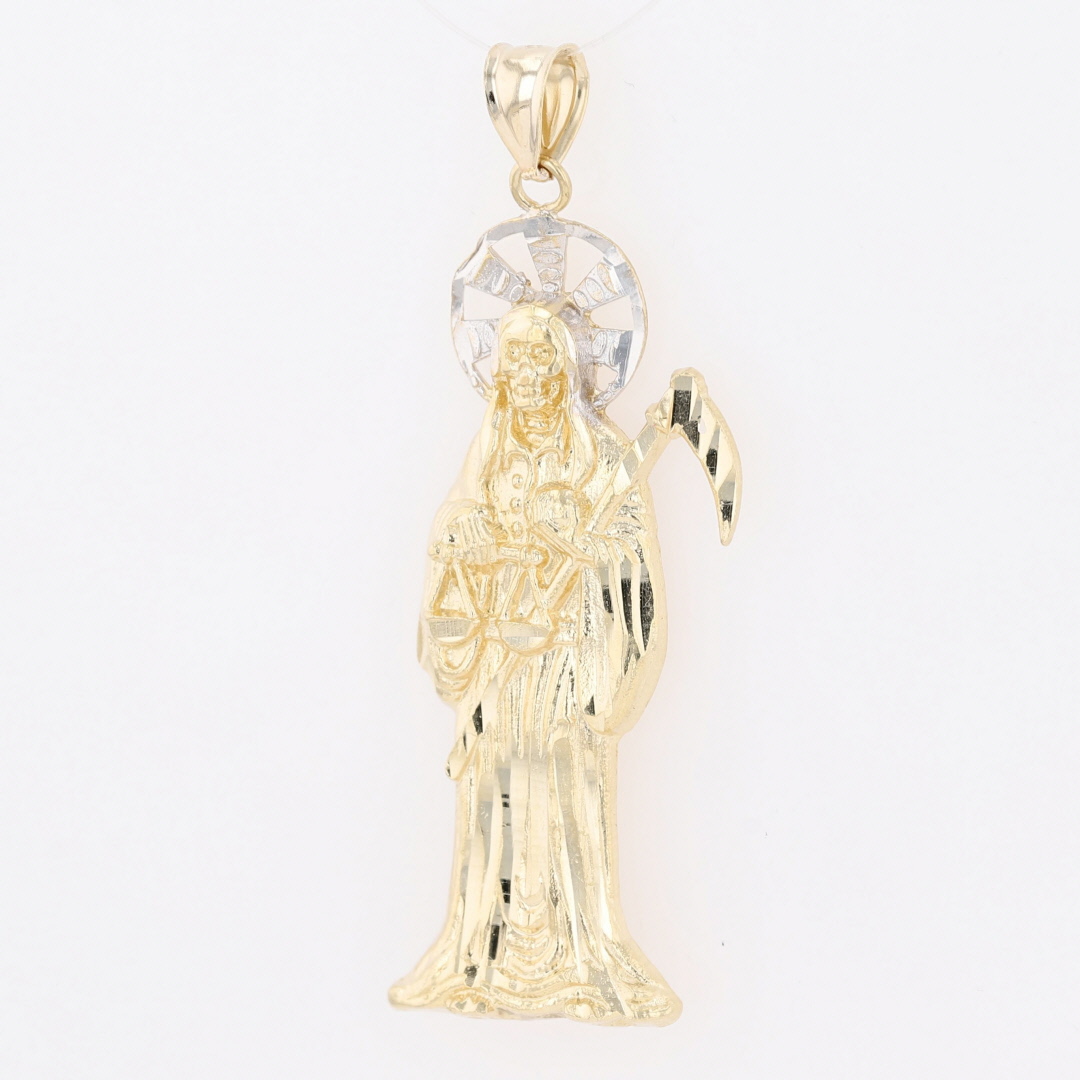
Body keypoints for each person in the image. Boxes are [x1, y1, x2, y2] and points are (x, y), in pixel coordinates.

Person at [389, 301, 680, 1024]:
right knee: (494, 792)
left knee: (562, 781)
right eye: (513, 358)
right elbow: (455, 528)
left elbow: (630, 555)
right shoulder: (490, 450)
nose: (525, 372)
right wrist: (464, 536)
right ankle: (478, 958)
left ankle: (583, 960)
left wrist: (577, 550)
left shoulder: (603, 454)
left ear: (566, 367)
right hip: (503, 653)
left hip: (568, 655)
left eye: (539, 357)